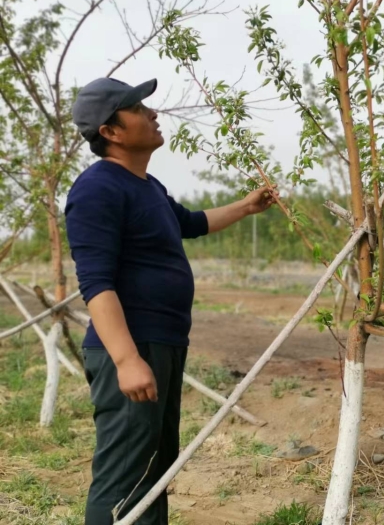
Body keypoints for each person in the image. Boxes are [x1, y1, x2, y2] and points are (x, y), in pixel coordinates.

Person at [66, 77, 278, 525]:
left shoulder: (146, 186)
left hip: (161, 342)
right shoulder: (97, 189)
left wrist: (245, 206)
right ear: (111, 131)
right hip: (132, 345)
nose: (153, 113)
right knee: (126, 474)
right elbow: (96, 284)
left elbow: (193, 222)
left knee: (154, 469)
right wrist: (126, 360)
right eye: (139, 109)